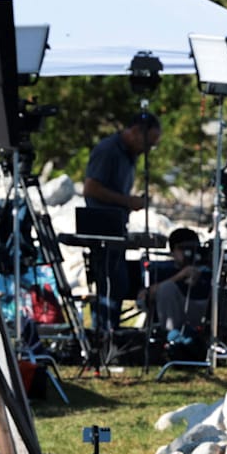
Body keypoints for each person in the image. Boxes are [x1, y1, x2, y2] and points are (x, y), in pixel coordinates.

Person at [80, 111, 160, 333]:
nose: (148, 150)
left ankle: (111, 332)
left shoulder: (129, 155)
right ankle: (103, 334)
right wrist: (127, 201)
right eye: (148, 143)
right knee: (109, 282)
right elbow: (91, 188)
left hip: (116, 226)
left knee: (119, 283)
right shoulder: (108, 151)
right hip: (101, 226)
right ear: (135, 132)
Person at [145, 226, 213, 342]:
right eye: (183, 249)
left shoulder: (207, 270)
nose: (188, 253)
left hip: (203, 313)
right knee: (166, 288)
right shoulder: (162, 269)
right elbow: (145, 295)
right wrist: (180, 276)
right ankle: (173, 341)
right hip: (173, 315)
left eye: (192, 249)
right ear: (173, 251)